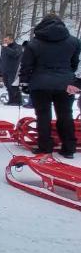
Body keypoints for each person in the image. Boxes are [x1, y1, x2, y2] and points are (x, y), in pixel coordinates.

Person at [19, 15, 81, 158]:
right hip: (65, 83)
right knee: (65, 115)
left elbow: (26, 65)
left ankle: (45, 147)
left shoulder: (34, 43)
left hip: (40, 84)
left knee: (43, 116)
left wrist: (25, 82)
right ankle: (68, 147)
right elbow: (74, 63)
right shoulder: (73, 41)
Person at [0, 36, 23, 106]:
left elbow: (15, 54)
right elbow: (1, 59)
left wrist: (6, 48)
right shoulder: (4, 48)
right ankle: (11, 100)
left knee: (13, 85)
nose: (5, 42)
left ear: (11, 40)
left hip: (14, 70)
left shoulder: (18, 47)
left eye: (6, 40)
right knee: (8, 85)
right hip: (5, 70)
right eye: (4, 40)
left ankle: (18, 101)